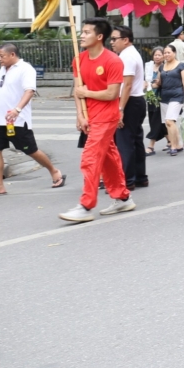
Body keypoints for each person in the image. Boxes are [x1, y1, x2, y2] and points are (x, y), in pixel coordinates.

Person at [59, 18, 133, 222]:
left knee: (90, 158)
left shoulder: (113, 61)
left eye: (87, 32)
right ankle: (123, 197)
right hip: (90, 115)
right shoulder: (79, 60)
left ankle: (86, 205)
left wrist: (87, 92)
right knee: (109, 157)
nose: (82, 36)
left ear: (99, 36)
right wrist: (80, 115)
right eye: (81, 32)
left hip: (107, 117)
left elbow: (111, 94)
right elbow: (78, 91)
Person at [0, 43, 64, 198]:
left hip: (15, 120)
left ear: (12, 55)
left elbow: (29, 91)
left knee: (30, 150)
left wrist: (17, 110)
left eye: (2, 56)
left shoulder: (26, 69)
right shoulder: (4, 69)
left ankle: (54, 171)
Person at [109, 26, 149, 190]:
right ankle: (140, 177)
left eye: (114, 39)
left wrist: (120, 109)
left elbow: (127, 85)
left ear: (125, 40)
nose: (111, 43)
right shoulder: (130, 54)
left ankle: (127, 180)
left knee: (125, 142)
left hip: (130, 101)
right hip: (136, 100)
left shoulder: (127, 56)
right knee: (136, 140)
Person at [153, 45, 184, 155]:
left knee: (169, 121)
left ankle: (173, 146)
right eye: (165, 53)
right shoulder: (162, 67)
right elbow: (160, 82)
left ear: (174, 53)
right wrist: (151, 84)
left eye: (168, 52)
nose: (166, 55)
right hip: (164, 96)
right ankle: (178, 144)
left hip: (177, 96)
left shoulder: (181, 66)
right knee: (168, 123)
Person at [144, 47, 167, 153]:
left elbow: (160, 84)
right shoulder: (149, 67)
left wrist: (153, 85)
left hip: (160, 97)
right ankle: (171, 141)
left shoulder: (165, 67)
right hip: (150, 97)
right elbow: (145, 80)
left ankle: (151, 146)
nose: (157, 57)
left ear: (163, 56)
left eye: (159, 55)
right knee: (157, 120)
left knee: (155, 121)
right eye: (155, 55)